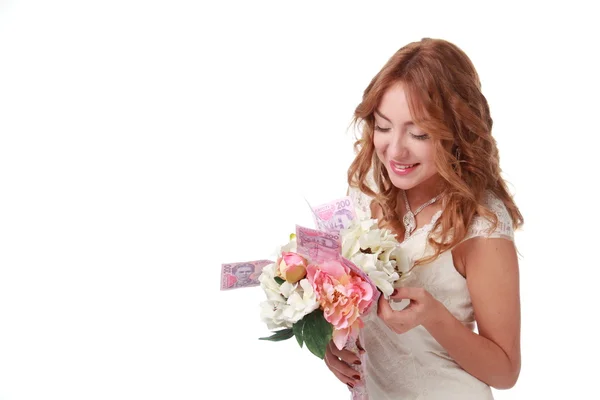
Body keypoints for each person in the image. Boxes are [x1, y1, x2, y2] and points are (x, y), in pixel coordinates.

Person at [325, 38, 523, 399]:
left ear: (457, 135)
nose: (396, 150)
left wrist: (434, 316)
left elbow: (506, 371)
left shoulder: (482, 225)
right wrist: (335, 341)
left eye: (419, 134)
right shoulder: (370, 189)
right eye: (384, 127)